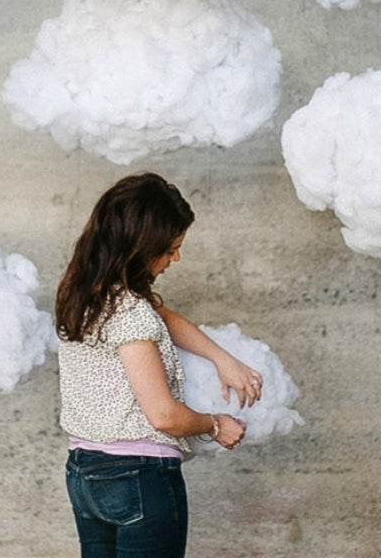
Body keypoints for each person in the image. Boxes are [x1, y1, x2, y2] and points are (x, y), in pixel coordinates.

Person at [56, 172, 264, 558]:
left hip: (84, 474)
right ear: (140, 246)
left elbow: (165, 318)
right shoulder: (131, 312)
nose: (176, 258)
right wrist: (216, 425)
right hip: (137, 476)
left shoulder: (83, 295)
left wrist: (222, 358)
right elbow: (164, 415)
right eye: (169, 249)